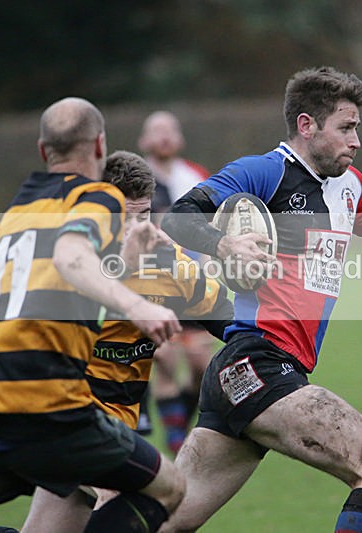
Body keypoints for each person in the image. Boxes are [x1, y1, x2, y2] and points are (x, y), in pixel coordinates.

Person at [158, 66, 362, 532]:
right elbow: (178, 217)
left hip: (243, 374)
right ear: (306, 125)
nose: (356, 140)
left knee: (169, 522)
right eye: (346, 127)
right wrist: (223, 243)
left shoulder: (350, 187)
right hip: (259, 362)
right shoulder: (264, 171)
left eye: (357, 128)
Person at [0, 150, 233, 533]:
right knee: (133, 493)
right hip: (67, 408)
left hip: (118, 416)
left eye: (144, 215)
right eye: (123, 217)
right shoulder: (68, 257)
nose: (136, 228)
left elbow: (222, 315)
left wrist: (257, 344)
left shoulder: (171, 264)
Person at [137, 110, 216, 453]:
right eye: (157, 131)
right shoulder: (134, 177)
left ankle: (179, 417)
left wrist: (211, 266)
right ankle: (174, 441)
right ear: (144, 140)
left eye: (171, 130)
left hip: (191, 281)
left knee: (202, 366)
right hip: (151, 284)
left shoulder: (196, 175)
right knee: (165, 358)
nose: (165, 136)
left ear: (180, 138)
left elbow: (212, 226)